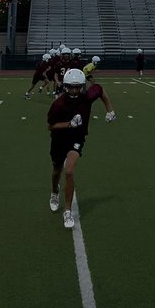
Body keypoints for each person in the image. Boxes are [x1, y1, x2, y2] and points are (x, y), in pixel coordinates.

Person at [47, 68, 115, 230]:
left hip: (76, 140)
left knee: (69, 171)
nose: (75, 90)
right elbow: (51, 126)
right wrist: (69, 124)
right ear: (66, 86)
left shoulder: (87, 97)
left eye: (78, 87)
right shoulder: (58, 104)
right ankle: (54, 192)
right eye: (71, 87)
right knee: (57, 170)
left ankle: (68, 210)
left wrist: (110, 110)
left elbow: (100, 90)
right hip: (59, 140)